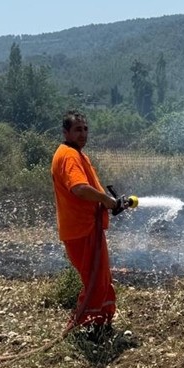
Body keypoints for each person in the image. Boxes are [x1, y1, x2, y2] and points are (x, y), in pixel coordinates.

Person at [51, 110, 125, 343]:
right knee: (94, 280)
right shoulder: (69, 156)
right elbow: (79, 188)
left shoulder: (77, 154)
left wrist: (108, 203)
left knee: (100, 278)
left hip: (86, 228)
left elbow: (86, 188)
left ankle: (100, 326)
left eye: (85, 129)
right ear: (66, 132)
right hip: (81, 230)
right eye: (77, 129)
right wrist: (106, 200)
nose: (83, 134)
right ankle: (82, 328)